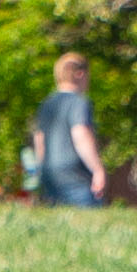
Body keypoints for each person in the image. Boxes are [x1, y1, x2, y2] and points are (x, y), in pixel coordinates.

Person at [26, 51, 109, 208]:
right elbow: (80, 134)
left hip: (50, 172)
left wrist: (40, 169)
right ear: (80, 74)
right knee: (88, 224)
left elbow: (39, 140)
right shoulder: (78, 102)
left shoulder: (47, 104)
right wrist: (97, 169)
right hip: (75, 174)